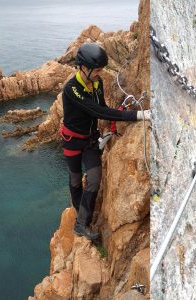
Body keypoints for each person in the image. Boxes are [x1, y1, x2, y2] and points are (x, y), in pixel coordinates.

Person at [60, 43, 150, 240]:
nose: (100, 73)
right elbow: (98, 111)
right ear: (84, 67)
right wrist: (138, 115)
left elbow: (102, 107)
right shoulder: (71, 90)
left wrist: (117, 119)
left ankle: (81, 224)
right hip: (72, 141)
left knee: (93, 179)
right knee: (75, 181)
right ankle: (80, 216)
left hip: (90, 140)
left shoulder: (97, 82)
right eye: (97, 69)